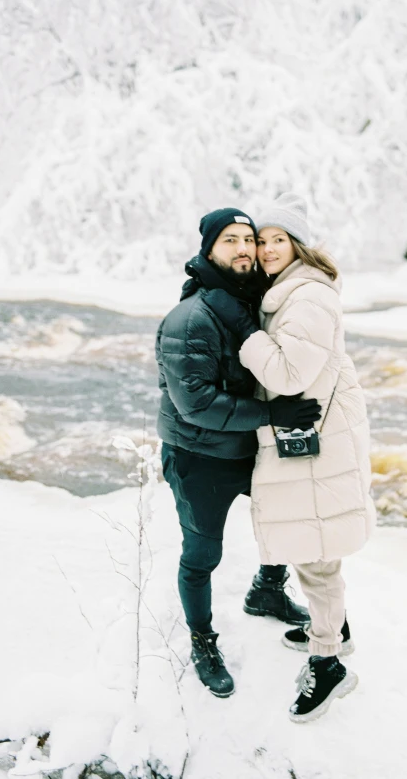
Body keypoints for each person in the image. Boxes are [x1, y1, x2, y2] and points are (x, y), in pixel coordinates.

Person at [204, 193, 376, 722]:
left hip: (313, 440)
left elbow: (286, 375)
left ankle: (329, 664)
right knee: (314, 543)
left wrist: (245, 332)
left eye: (280, 239)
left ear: (298, 246)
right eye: (263, 239)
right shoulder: (291, 291)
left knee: (317, 554)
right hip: (311, 433)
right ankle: (333, 626)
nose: (267, 248)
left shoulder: (306, 298)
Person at [155, 207, 322, 698]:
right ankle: (202, 641)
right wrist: (274, 415)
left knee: (288, 518)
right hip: (200, 455)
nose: (245, 248)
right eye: (230, 240)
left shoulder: (255, 304)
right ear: (209, 249)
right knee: (203, 552)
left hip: (251, 447)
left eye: (249, 239)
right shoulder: (191, 318)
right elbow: (196, 404)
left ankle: (266, 591)